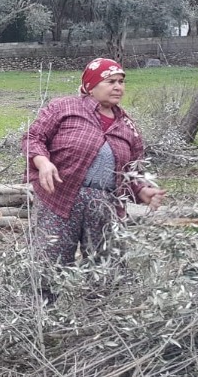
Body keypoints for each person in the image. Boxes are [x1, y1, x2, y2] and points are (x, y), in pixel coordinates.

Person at [23, 57, 165, 271]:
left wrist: (143, 190)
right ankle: (44, 303)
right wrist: (43, 162)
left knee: (105, 269)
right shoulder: (65, 107)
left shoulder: (128, 127)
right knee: (49, 264)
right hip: (59, 199)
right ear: (91, 86)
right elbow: (33, 137)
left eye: (121, 81)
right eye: (111, 81)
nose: (118, 87)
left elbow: (133, 171)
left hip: (105, 206)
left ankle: (98, 304)